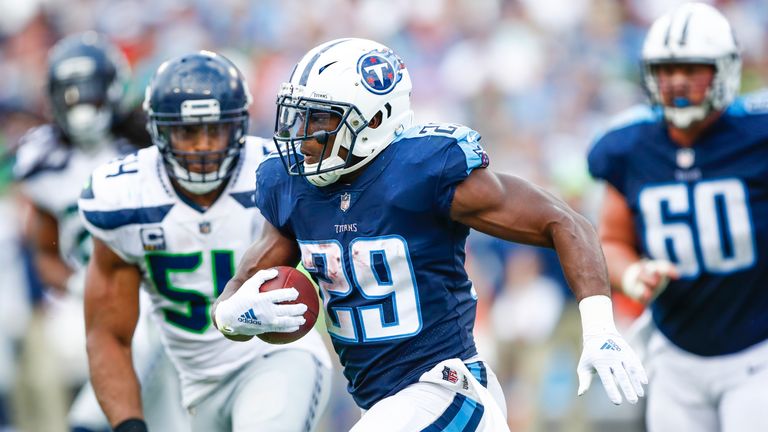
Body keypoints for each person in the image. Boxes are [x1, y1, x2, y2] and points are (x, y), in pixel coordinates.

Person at [212, 38, 646, 431]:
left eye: (322, 119)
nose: (304, 137)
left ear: (376, 118)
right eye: (300, 116)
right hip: (384, 406)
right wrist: (231, 317)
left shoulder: (423, 171)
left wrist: (600, 329)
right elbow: (241, 287)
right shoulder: (293, 187)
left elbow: (565, 221)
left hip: (446, 388)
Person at [78, 50, 333, 432]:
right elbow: (109, 335)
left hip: (276, 358)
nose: (202, 146)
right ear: (159, 130)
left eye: (215, 129)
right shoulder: (124, 195)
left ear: (240, 125)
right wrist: (128, 423)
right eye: (188, 131)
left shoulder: (279, 173)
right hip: (194, 384)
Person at [588, 3, 768, 431]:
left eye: (693, 69)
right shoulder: (629, 146)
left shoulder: (758, 136)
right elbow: (611, 240)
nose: (678, 82)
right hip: (676, 349)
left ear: (724, 71)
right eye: (666, 70)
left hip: (757, 347)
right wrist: (633, 274)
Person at [13, 31, 187, 432]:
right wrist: (76, 285)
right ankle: (88, 422)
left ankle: (92, 421)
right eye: (70, 96)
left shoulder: (150, 147)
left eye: (88, 94)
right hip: (87, 297)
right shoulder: (44, 161)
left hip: (161, 287)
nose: (80, 109)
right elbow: (43, 251)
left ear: (112, 90)